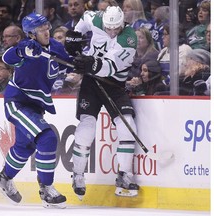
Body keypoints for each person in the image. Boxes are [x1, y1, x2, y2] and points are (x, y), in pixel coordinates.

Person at [0, 12, 72, 208]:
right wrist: (23, 50)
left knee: (24, 146)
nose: (46, 32)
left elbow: (69, 65)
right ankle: (46, 190)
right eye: (40, 30)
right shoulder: (26, 49)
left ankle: (3, 178)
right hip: (17, 103)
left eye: (47, 28)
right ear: (31, 34)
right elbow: (7, 57)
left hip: (36, 106)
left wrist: (80, 61)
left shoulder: (56, 46)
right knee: (47, 138)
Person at [65, 6, 139, 200]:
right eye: (109, 28)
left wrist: (91, 63)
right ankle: (78, 175)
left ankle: (124, 175)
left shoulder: (129, 39)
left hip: (114, 84)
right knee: (87, 126)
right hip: (91, 83)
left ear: (122, 24)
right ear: (104, 22)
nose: (112, 32)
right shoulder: (97, 18)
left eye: (116, 28)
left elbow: (111, 66)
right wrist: (75, 34)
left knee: (127, 124)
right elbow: (84, 18)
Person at [126, 26, 159, 93]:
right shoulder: (128, 55)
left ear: (148, 40)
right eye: (135, 37)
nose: (137, 40)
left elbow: (148, 76)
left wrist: (136, 81)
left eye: (141, 37)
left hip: (148, 90)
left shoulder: (154, 55)